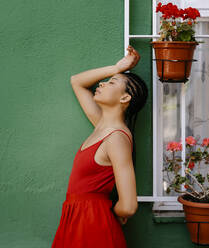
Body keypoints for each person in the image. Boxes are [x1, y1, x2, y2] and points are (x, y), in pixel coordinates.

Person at [51, 45, 148, 248]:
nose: (102, 84)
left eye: (111, 83)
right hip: (77, 219)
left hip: (93, 225)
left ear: (125, 98)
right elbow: (77, 82)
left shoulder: (116, 138)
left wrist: (109, 212)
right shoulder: (102, 127)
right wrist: (116, 68)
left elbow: (129, 205)